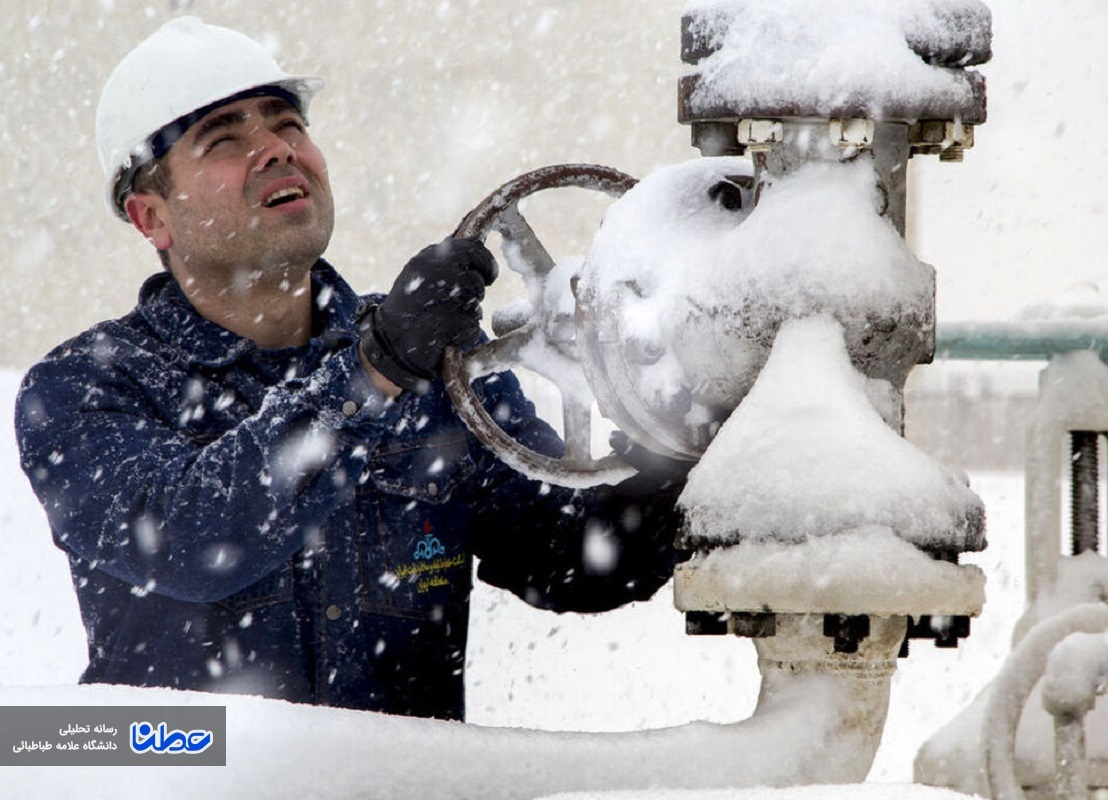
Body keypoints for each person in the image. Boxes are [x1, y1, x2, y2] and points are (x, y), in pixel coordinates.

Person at [15, 17, 687, 721]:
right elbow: (193, 538)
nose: (276, 150)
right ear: (152, 217)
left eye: (287, 125)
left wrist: (679, 426)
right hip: (182, 776)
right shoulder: (83, 390)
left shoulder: (438, 364)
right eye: (225, 139)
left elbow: (575, 556)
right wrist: (371, 373)